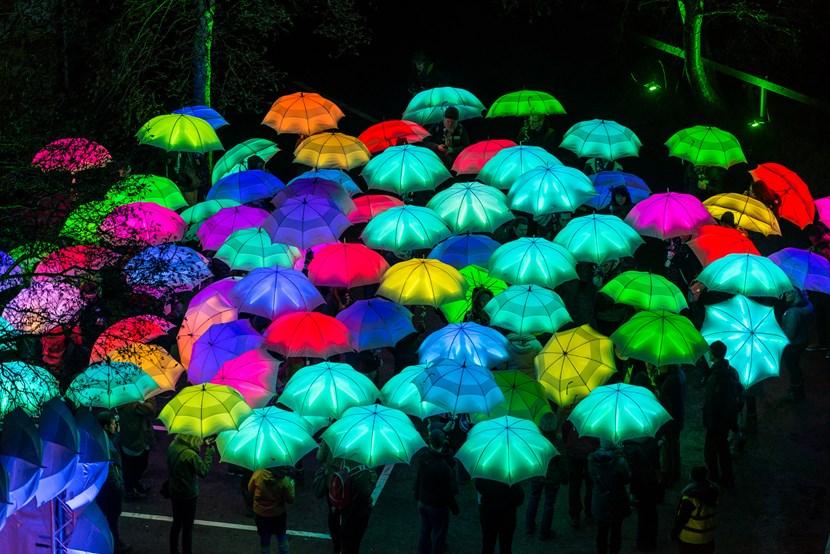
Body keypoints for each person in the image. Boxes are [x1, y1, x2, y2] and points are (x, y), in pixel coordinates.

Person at [167, 433, 216, 554]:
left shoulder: (173, 445)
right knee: (187, 528)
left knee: (176, 523)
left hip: (174, 491)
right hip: (188, 495)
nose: (200, 442)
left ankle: (173, 550)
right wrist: (210, 452)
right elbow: (203, 471)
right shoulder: (190, 455)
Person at [414, 428, 460, 554]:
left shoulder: (423, 456)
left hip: (423, 501)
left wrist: (416, 494)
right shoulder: (444, 468)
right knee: (438, 536)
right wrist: (455, 509)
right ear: (443, 442)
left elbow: (419, 477)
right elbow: (448, 492)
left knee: (424, 532)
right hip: (437, 507)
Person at [524, 412, 568, 541]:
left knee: (533, 498)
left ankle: (529, 526)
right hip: (552, 479)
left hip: (537, 474)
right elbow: (562, 463)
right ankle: (544, 532)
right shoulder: (558, 442)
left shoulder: (535, 440)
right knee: (549, 504)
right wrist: (565, 478)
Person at [702, 341, 738, 489]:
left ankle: (714, 475)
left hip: (716, 422)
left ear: (714, 354)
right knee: (723, 448)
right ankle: (727, 477)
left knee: (710, 450)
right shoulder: (731, 371)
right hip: (727, 418)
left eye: (710, 351)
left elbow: (712, 404)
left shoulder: (714, 378)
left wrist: (709, 423)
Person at [96, 411, 132, 553]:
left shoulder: (102, 437)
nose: (115, 425)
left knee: (108, 517)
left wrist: (116, 433)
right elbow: (110, 470)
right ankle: (114, 544)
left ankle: (111, 542)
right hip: (111, 490)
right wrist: (118, 485)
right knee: (112, 517)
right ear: (105, 427)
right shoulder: (105, 446)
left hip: (105, 489)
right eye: (112, 423)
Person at [588, 438, 631, 554]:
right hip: (617, 502)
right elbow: (626, 480)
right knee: (616, 531)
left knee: (602, 530)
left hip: (600, 501)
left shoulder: (592, 460)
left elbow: (591, 476)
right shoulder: (620, 462)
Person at [622, 435, 662, 551]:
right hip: (651, 480)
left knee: (642, 514)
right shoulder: (652, 440)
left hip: (639, 483)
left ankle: (641, 543)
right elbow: (656, 463)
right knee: (652, 512)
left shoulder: (628, 445)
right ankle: (652, 541)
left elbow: (629, 467)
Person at [562, 409, 599, 528]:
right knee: (591, 485)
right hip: (590, 454)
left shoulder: (575, 414)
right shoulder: (595, 416)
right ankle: (590, 514)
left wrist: (567, 444)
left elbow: (564, 428)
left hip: (573, 453)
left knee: (574, 485)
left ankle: (575, 515)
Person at [669, 466, 719, 553]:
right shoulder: (713, 494)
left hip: (689, 540)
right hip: (707, 538)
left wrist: (673, 534)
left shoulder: (689, 498)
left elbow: (681, 520)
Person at [248, 465, 296, 554]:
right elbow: (290, 499)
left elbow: (250, 488)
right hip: (278, 514)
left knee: (264, 538)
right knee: (281, 536)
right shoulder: (284, 480)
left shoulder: (258, 474)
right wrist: (292, 485)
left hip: (260, 513)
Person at [779, 287, 815, 401]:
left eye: (789, 293)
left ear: (796, 294)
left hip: (793, 345)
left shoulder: (792, 312)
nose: (786, 295)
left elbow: (789, 334)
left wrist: (778, 329)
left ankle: (796, 391)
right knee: (795, 362)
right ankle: (798, 380)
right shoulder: (808, 304)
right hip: (804, 340)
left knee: (791, 365)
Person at [119, 397, 157, 501]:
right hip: (138, 440)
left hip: (129, 439)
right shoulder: (134, 405)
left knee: (130, 466)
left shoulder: (121, 401)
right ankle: (131, 489)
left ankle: (133, 486)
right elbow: (151, 409)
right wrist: (151, 397)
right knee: (138, 466)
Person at [476, 477, 525, 554]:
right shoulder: (511, 479)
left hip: (488, 515)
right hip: (507, 517)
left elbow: (478, 486)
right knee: (506, 548)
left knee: (488, 545)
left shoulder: (484, 475)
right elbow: (519, 499)